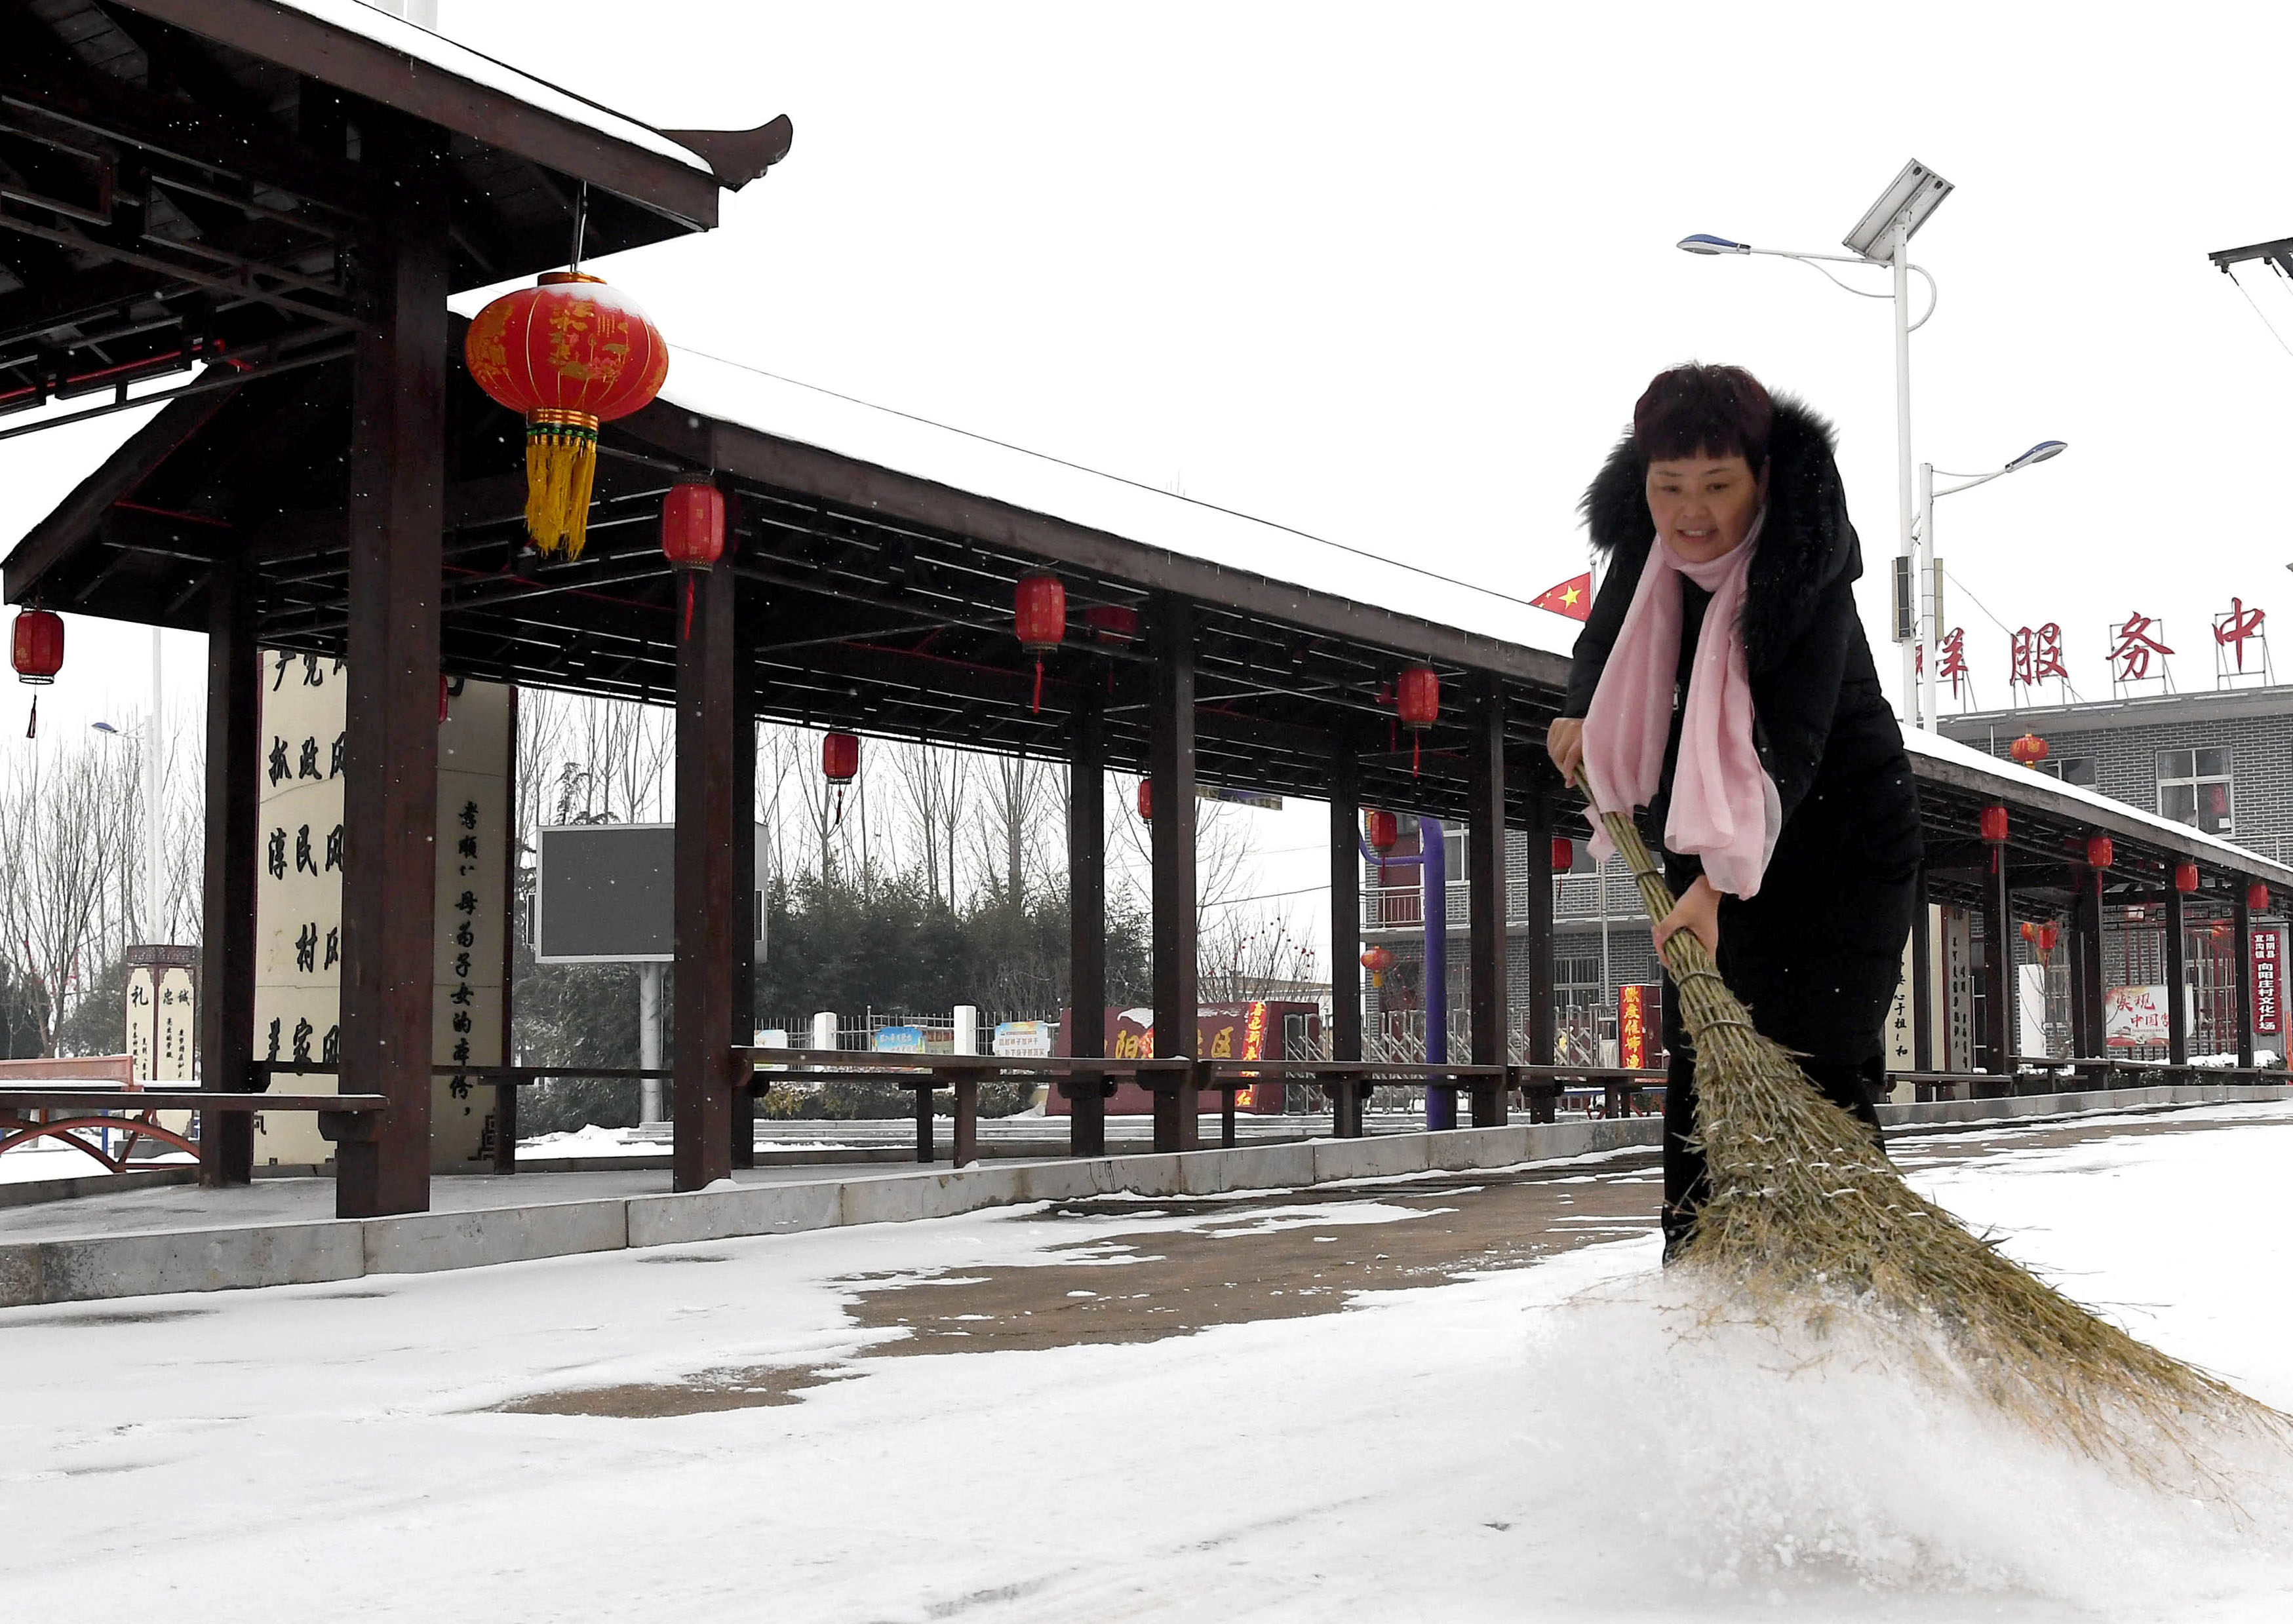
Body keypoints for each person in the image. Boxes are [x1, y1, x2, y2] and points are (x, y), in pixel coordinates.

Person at [1544, 363, 1922, 1255]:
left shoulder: (1805, 562)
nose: (1692, 511)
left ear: (1760, 476)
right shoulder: (1650, 546)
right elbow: (1603, 641)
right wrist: (1578, 707)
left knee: (1819, 1064)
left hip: (1839, 841)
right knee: (1703, 1059)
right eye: (1668, 486)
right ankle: (1697, 1278)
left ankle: (1865, 1283)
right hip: (1706, 813)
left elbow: (1789, 742)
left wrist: (1715, 890)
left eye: (1717, 485)